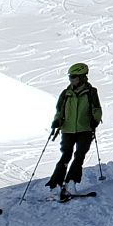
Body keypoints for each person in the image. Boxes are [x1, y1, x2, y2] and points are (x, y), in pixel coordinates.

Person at [47, 61, 104, 199]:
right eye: (70, 77)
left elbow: (97, 109)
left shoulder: (91, 92)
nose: (71, 79)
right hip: (67, 130)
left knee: (79, 156)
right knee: (65, 156)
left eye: (73, 76)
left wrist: (95, 120)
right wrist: (57, 120)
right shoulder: (66, 93)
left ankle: (71, 183)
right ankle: (56, 185)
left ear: (82, 77)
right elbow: (59, 110)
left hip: (85, 129)